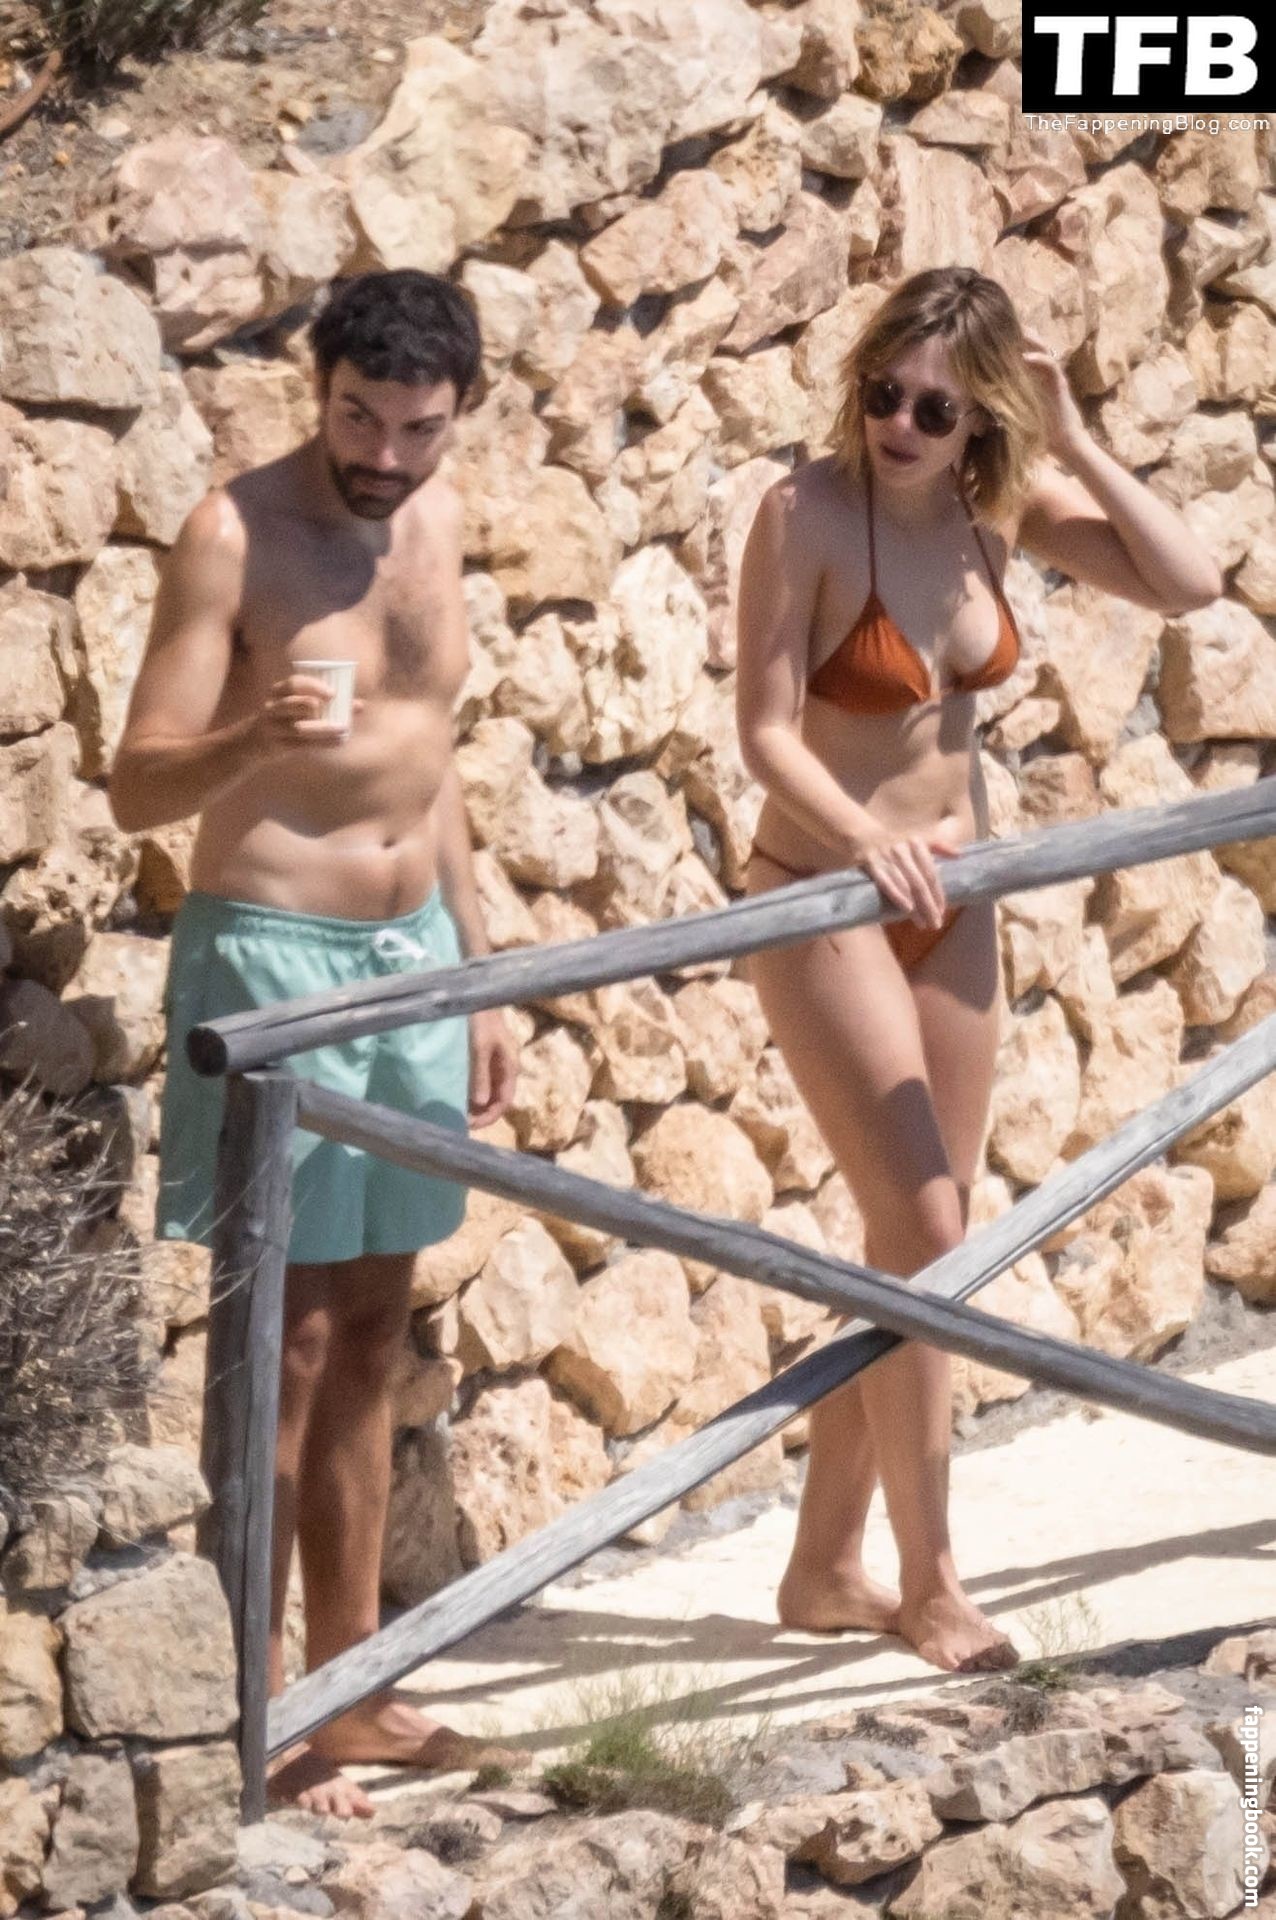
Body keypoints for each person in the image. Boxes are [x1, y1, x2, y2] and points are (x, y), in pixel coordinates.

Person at [735, 265, 1224, 1674]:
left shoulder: (994, 511)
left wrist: (1073, 441)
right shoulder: (802, 513)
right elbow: (765, 730)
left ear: (982, 419)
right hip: (823, 892)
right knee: (929, 1226)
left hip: (958, 904)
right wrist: (862, 842)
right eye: (883, 392)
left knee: (920, 1246)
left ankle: (825, 1565)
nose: (898, 425)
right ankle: (933, 1582)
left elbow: (1188, 583)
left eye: (936, 409)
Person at [109, 270, 521, 1817]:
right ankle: (258, 1705)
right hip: (274, 954)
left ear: (457, 414)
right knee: (273, 1348)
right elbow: (136, 787)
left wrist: (480, 967)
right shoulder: (234, 533)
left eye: (417, 428)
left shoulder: (440, 516)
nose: (385, 456)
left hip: (415, 965)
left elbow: (434, 757)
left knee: (373, 1332)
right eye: (359, 419)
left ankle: (352, 1690)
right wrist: (251, 737)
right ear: (318, 387)